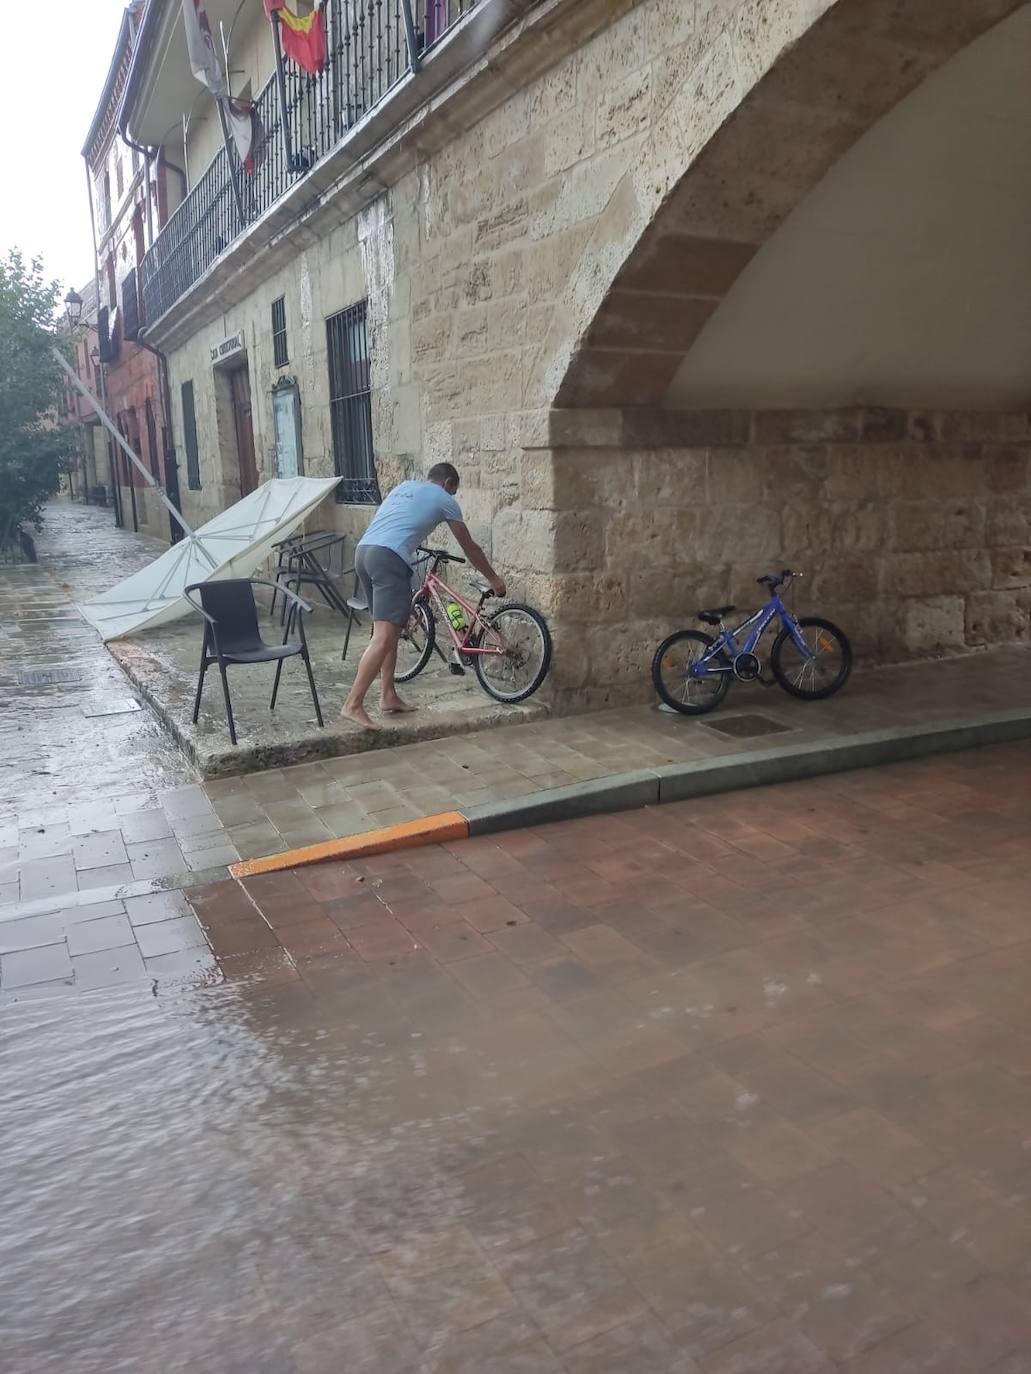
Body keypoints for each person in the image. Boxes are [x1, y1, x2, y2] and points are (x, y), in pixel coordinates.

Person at [341, 462, 506, 730]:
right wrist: (494, 579)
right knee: (383, 637)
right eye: (453, 492)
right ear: (449, 484)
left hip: (364, 552)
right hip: (388, 558)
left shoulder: (405, 487)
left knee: (388, 632)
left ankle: (388, 695)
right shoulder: (444, 498)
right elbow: (470, 547)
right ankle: (353, 704)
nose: (451, 497)